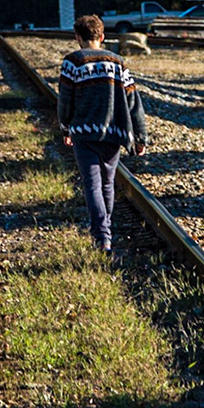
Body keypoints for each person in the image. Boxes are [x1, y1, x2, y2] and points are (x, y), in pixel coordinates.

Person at [57, 14, 148, 251]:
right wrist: (140, 136)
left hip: (84, 133)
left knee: (92, 185)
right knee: (107, 184)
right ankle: (105, 231)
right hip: (113, 133)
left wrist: (65, 126)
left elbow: (65, 101)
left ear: (78, 37)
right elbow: (133, 102)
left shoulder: (72, 62)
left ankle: (102, 236)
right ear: (102, 36)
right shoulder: (117, 62)